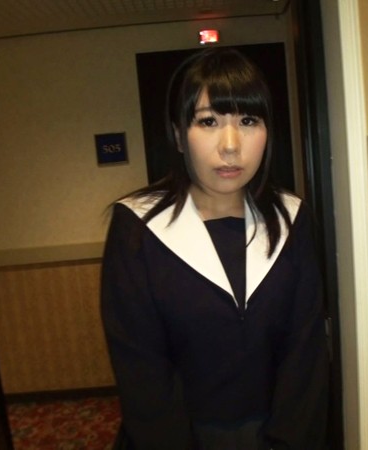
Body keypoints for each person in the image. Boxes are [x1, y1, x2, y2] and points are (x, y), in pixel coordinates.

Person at [100, 47, 328, 450]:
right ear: (178, 136)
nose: (230, 145)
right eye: (208, 121)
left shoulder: (292, 218)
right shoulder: (138, 226)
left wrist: (288, 441)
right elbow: (140, 366)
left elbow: (305, 349)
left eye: (248, 121)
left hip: (274, 436)